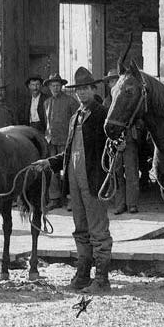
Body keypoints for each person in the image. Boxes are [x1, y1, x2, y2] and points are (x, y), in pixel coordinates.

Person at [32, 67, 112, 293]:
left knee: (98, 230)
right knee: (80, 228)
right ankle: (83, 274)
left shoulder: (101, 114)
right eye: (78, 90)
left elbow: (113, 142)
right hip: (74, 182)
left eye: (86, 89)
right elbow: (68, 151)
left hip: (94, 179)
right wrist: (49, 162)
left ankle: (102, 278)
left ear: (93, 89)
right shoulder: (75, 116)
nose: (82, 94)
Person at [111, 70, 143, 216]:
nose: (112, 83)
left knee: (131, 172)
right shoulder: (108, 102)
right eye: (110, 82)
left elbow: (138, 119)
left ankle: (132, 204)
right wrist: (116, 141)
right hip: (114, 143)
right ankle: (119, 204)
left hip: (130, 140)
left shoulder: (128, 99)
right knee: (116, 174)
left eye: (114, 80)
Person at [43, 72, 74, 209]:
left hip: (66, 140)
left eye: (58, 85)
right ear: (49, 87)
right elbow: (47, 122)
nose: (55, 88)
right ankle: (55, 198)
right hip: (51, 140)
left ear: (61, 86)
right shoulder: (47, 103)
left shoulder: (71, 101)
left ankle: (72, 199)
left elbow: (76, 121)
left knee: (69, 171)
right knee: (52, 170)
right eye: (53, 86)